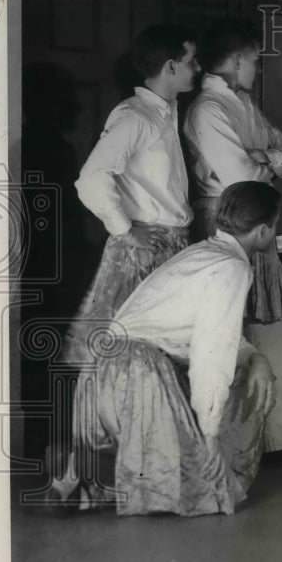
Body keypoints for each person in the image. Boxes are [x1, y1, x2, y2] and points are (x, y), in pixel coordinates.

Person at [47, 182, 280, 516]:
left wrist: (255, 357)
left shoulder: (201, 253)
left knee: (153, 468)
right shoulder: (232, 267)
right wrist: (210, 435)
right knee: (202, 489)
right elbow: (212, 349)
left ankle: (83, 471)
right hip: (138, 372)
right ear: (262, 231)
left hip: (103, 372)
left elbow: (211, 332)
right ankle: (89, 471)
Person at [184, 18, 282, 468]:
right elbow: (242, 178)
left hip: (258, 227)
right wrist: (268, 162)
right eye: (255, 60)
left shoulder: (243, 105)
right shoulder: (208, 109)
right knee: (227, 337)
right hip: (225, 227)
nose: (259, 68)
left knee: (274, 335)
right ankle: (230, 448)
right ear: (236, 60)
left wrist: (266, 158)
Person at [65, 24, 199, 367]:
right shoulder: (136, 115)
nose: (197, 69)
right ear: (170, 66)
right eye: (191, 62)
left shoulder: (165, 114)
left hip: (169, 247)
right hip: (145, 249)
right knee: (137, 359)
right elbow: (91, 177)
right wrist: (125, 230)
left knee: (166, 357)